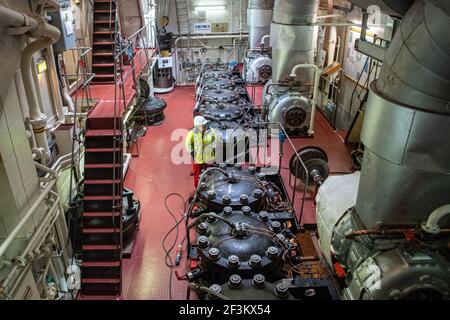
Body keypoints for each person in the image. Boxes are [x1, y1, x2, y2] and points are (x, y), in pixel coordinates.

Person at [185, 116, 217, 188]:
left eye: (203, 125)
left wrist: (214, 150)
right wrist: (192, 153)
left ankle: (210, 187)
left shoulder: (211, 131)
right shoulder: (193, 133)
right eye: (200, 126)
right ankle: (198, 188)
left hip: (208, 156)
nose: (202, 127)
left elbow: (215, 141)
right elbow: (187, 143)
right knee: (197, 173)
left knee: (210, 172)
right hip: (198, 157)